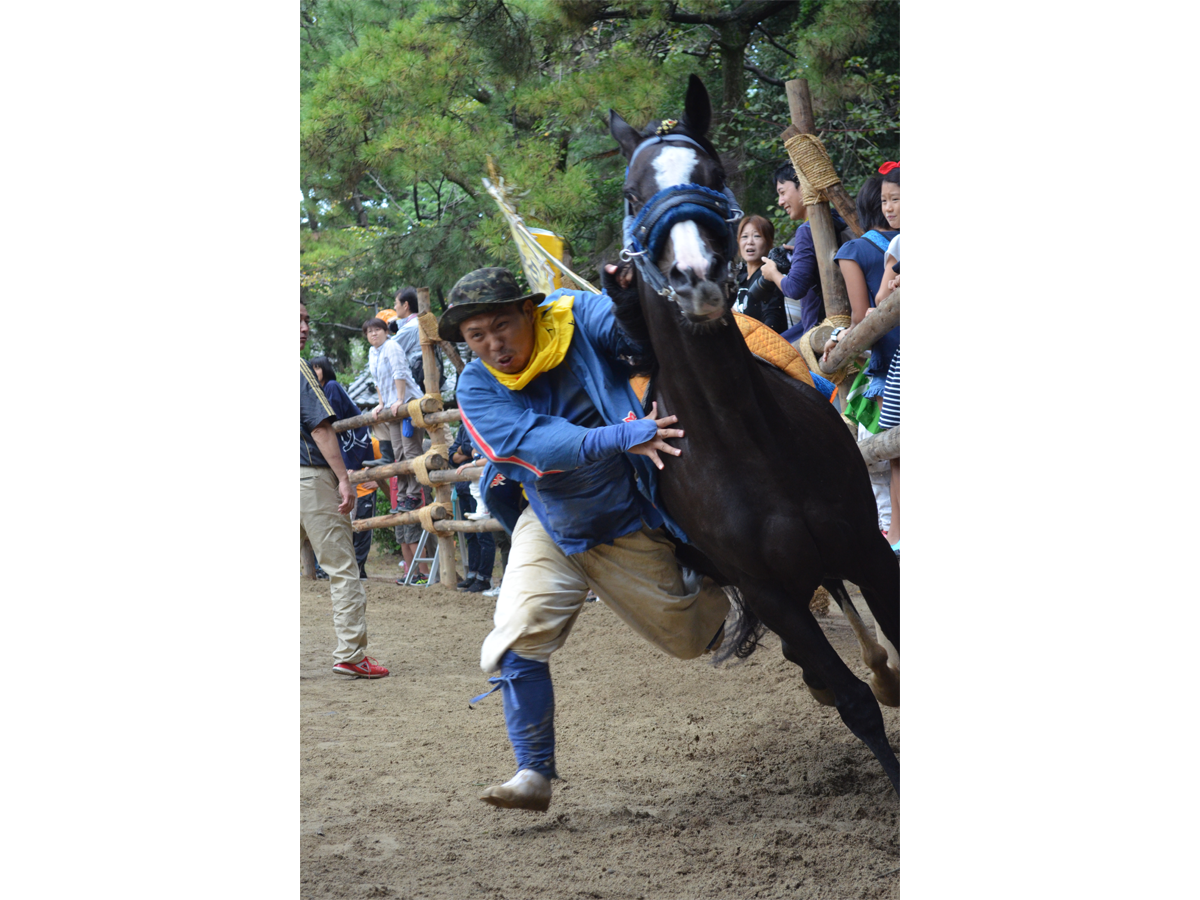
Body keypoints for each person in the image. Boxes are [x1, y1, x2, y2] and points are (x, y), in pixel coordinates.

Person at [444, 267, 731, 813]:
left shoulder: (574, 313)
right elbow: (531, 444)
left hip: (625, 523)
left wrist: (624, 301)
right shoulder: (476, 385)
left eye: (501, 325)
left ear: (530, 310)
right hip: (549, 522)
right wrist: (625, 435)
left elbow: (635, 347)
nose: (493, 344)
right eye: (476, 336)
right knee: (515, 637)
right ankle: (533, 772)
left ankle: (720, 587)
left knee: (692, 641)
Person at [300, 303, 388, 679]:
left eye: (306, 319)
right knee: (341, 567)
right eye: (296, 319)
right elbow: (320, 427)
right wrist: (343, 477)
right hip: (309, 477)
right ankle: (351, 654)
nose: (304, 327)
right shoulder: (295, 368)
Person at [758, 161, 846, 336]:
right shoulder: (837, 219)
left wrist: (772, 273)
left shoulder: (806, 230)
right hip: (839, 321)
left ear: (802, 185)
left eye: (782, 192)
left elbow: (794, 288)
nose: (780, 202)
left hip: (819, 330)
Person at [448, 425, 496, 593]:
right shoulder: (463, 427)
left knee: (483, 533)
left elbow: (483, 450)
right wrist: (465, 451)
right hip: (462, 486)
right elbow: (451, 456)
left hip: (479, 486)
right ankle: (472, 574)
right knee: (470, 534)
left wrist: (465, 450)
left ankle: (484, 578)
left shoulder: (483, 424)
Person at [732, 215, 786, 332]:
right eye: (744, 237)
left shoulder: (769, 276)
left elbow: (773, 320)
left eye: (757, 236)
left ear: (768, 243)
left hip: (763, 346)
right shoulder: (739, 276)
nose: (749, 242)